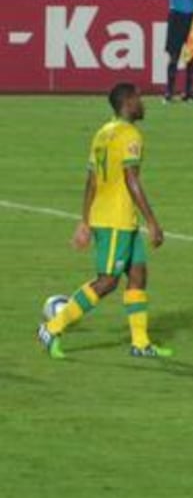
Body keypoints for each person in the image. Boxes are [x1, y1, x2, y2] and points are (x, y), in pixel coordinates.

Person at [37, 83, 172, 359]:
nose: (143, 103)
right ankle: (52, 328)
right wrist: (153, 221)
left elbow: (91, 179)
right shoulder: (130, 134)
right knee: (108, 281)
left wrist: (85, 220)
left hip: (113, 216)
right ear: (128, 102)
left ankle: (140, 343)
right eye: (139, 98)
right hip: (115, 219)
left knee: (137, 275)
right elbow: (131, 178)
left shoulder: (102, 133)